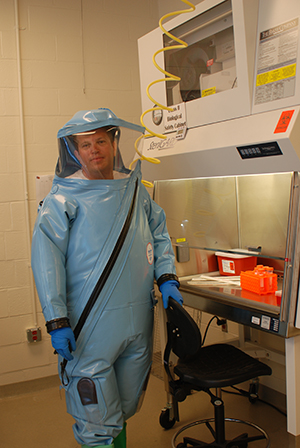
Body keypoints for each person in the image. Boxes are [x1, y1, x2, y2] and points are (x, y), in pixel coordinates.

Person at [31, 108, 183, 448]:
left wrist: (167, 277)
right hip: (89, 330)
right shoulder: (61, 201)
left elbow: (158, 233)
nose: (94, 150)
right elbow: (46, 260)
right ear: (73, 151)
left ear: (114, 143)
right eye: (85, 145)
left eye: (101, 141)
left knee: (125, 406)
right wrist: (56, 321)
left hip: (136, 327)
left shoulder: (135, 192)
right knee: (96, 415)